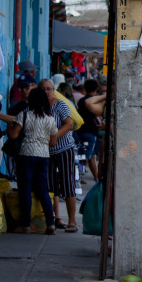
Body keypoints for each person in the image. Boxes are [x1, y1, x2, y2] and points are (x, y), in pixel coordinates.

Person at [8, 88, 58, 235]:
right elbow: (53, 142)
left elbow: (13, 135)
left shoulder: (24, 115)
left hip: (26, 154)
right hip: (43, 156)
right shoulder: (50, 119)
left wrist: (11, 125)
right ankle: (51, 224)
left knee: (25, 189)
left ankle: (26, 225)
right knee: (42, 189)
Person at [39, 79, 78, 233]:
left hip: (64, 148)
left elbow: (69, 124)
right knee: (50, 185)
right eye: (43, 89)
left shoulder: (60, 105)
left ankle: (72, 221)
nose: (47, 92)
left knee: (68, 183)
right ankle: (56, 217)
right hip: (47, 151)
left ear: (54, 90)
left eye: (49, 89)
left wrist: (53, 137)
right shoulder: (38, 106)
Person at [77, 79, 102, 180]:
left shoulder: (81, 101)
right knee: (85, 157)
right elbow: (98, 115)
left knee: (90, 156)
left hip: (81, 131)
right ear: (96, 88)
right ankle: (76, 178)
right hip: (91, 132)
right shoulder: (95, 102)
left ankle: (96, 177)